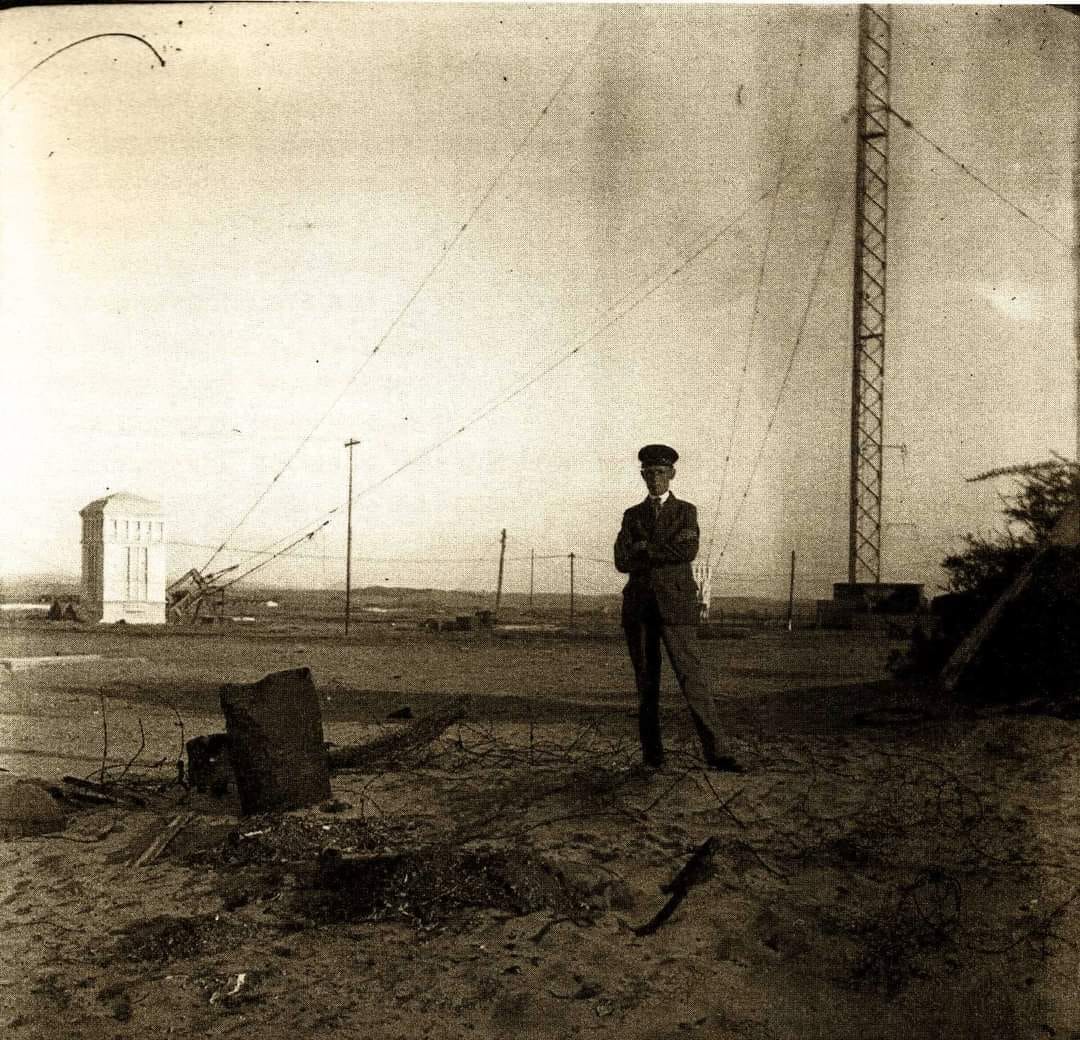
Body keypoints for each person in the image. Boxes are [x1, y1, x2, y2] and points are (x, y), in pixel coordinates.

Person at [614, 444, 742, 772]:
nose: (654, 479)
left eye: (660, 473)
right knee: (647, 685)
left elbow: (688, 550)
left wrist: (645, 549)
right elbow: (621, 559)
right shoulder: (632, 515)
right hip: (640, 611)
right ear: (642, 475)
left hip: (676, 609)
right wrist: (656, 550)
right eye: (649, 473)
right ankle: (653, 757)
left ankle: (718, 752)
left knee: (692, 679)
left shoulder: (686, 511)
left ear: (672, 474)